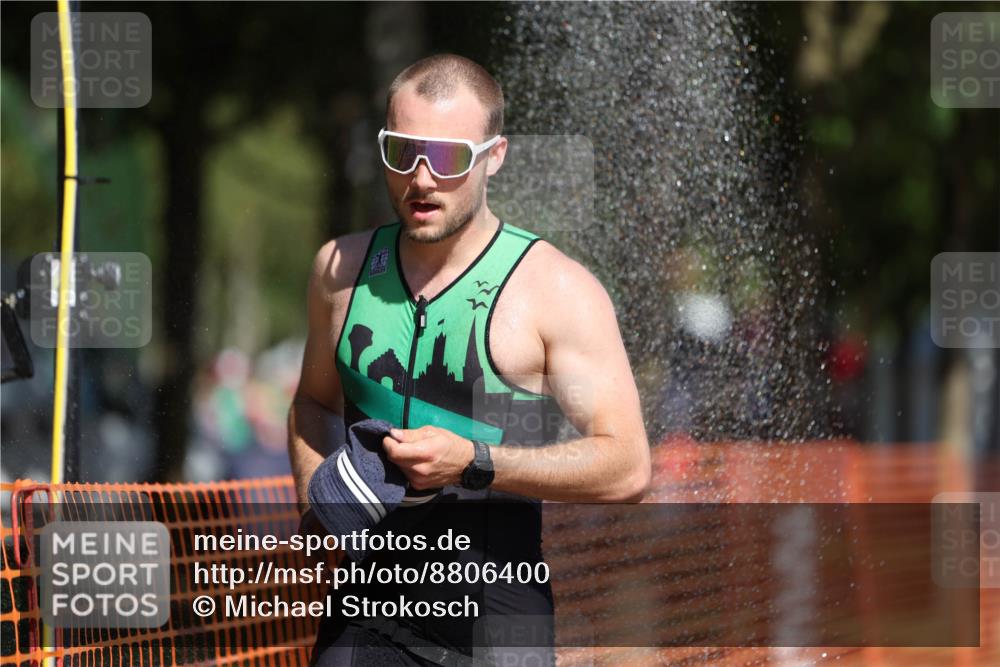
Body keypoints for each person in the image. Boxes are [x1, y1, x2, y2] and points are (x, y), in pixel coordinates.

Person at [288, 53, 650, 666]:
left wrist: (475, 463)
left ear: (496, 156)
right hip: (361, 618)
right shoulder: (340, 272)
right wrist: (315, 509)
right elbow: (313, 401)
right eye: (402, 153)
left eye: (450, 157)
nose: (422, 178)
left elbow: (628, 466)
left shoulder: (555, 290)